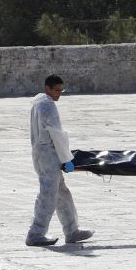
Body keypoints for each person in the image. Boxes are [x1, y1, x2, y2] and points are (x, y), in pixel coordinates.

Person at [25, 75, 94, 247]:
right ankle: (35, 233)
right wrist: (66, 159)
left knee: (62, 194)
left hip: (40, 153)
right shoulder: (48, 106)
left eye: (61, 91)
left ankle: (71, 231)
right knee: (48, 195)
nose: (58, 94)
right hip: (49, 155)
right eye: (56, 90)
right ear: (47, 88)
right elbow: (57, 135)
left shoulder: (37, 103)